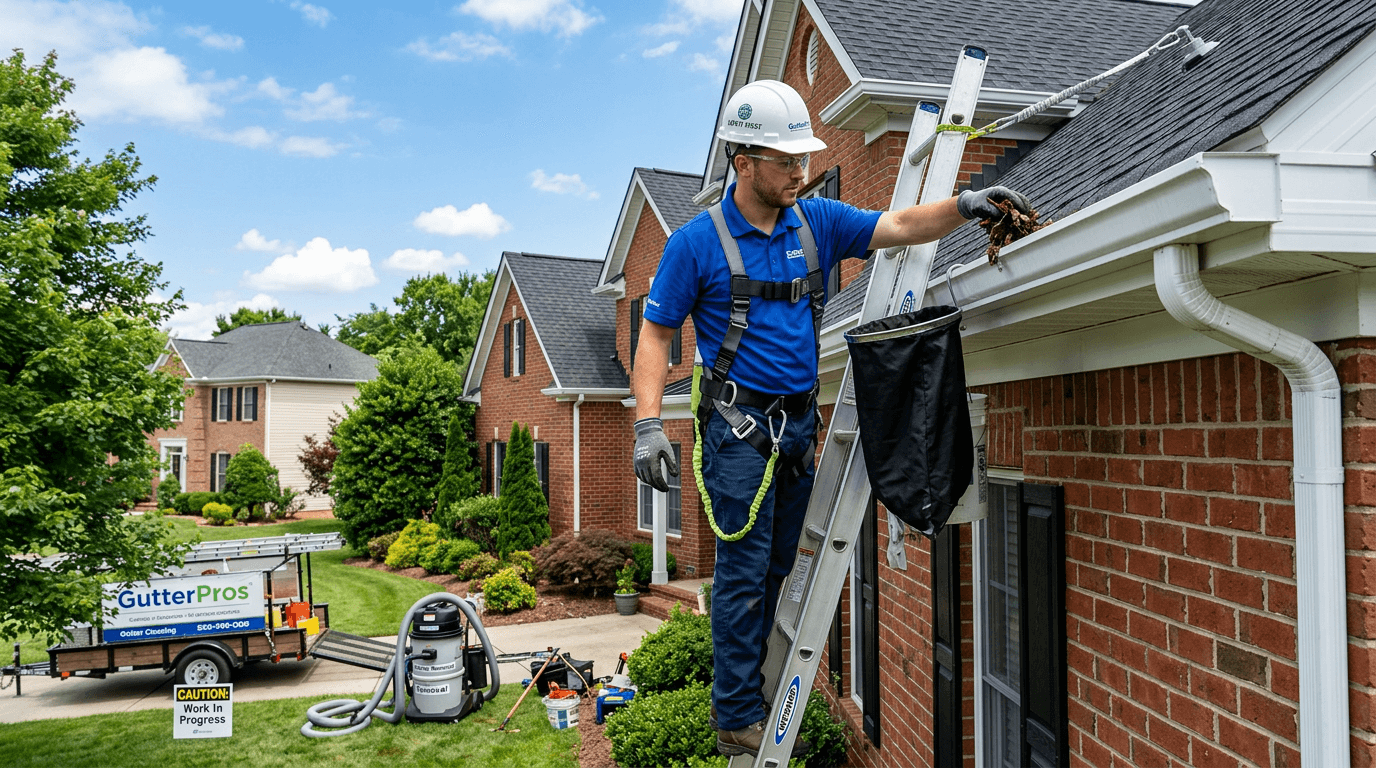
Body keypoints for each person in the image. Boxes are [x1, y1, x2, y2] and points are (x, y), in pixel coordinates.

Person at [631, 79, 1029, 758]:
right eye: (786, 161)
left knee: (781, 566)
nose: (799, 171)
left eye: (802, 160)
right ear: (744, 160)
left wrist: (965, 206)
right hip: (738, 432)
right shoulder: (695, 245)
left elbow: (897, 226)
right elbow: (655, 336)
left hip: (797, 428)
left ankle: (748, 687)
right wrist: (646, 424)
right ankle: (734, 714)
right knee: (743, 571)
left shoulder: (815, 222)